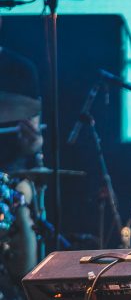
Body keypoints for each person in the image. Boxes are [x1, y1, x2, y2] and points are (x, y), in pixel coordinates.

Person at [0, 16, 42, 299]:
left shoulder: (21, 70)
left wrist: (33, 142)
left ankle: (21, 285)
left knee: (23, 205)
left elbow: (36, 141)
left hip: (12, 174)